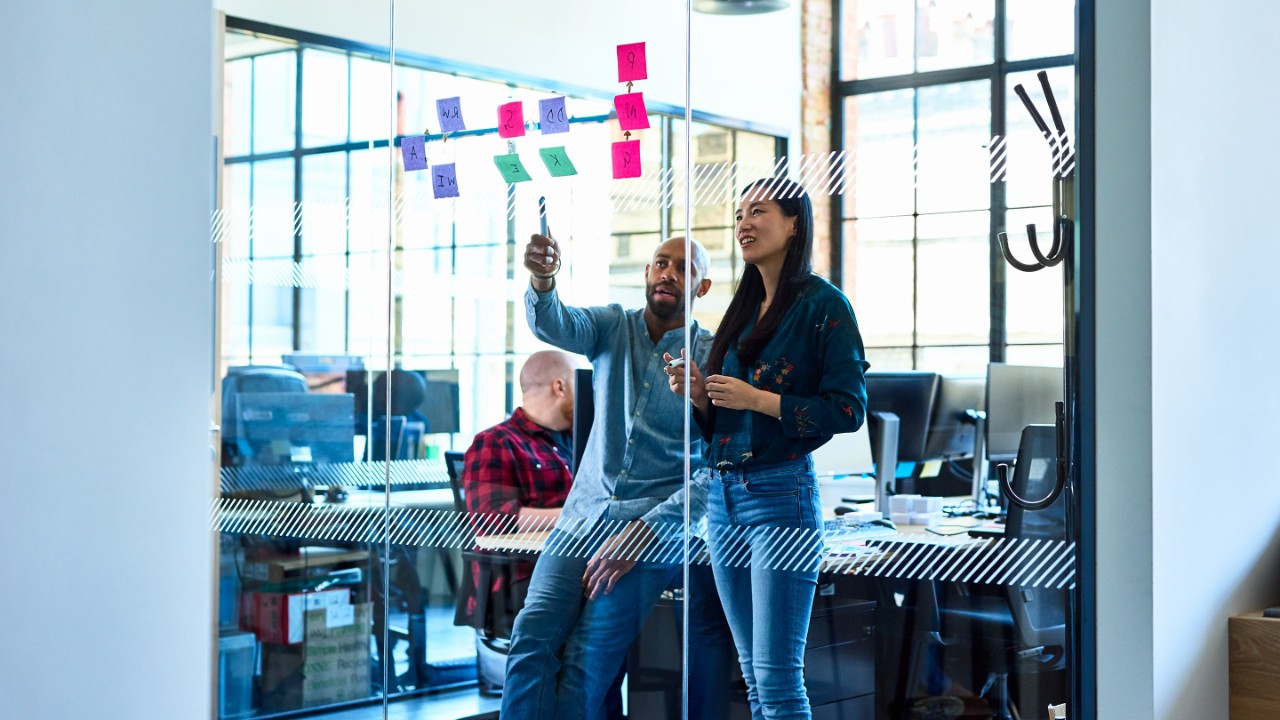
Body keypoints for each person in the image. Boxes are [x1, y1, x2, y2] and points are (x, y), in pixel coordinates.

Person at [501, 231, 734, 720]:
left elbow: (717, 470)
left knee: (586, 664)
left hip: (649, 532)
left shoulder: (714, 357)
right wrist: (543, 280)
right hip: (581, 520)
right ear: (647, 273)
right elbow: (555, 323)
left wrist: (647, 530)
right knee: (530, 637)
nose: (668, 273)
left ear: (702, 287)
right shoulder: (611, 327)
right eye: (661, 263)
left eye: (684, 268)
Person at [664, 178, 869, 720]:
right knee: (754, 676)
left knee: (777, 679)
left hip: (781, 495)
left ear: (795, 223)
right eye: (738, 215)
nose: (744, 224)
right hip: (723, 498)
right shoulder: (744, 306)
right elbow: (727, 422)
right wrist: (700, 395)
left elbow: (848, 409)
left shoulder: (824, 305)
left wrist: (757, 398)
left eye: (757, 211)